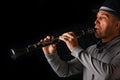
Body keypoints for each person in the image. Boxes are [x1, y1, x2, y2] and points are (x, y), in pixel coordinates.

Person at [40, 0, 120, 80]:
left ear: (117, 25)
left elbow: (109, 75)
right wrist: (51, 55)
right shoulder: (91, 50)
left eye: (102, 17)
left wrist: (75, 49)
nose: (96, 22)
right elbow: (66, 71)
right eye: (97, 17)